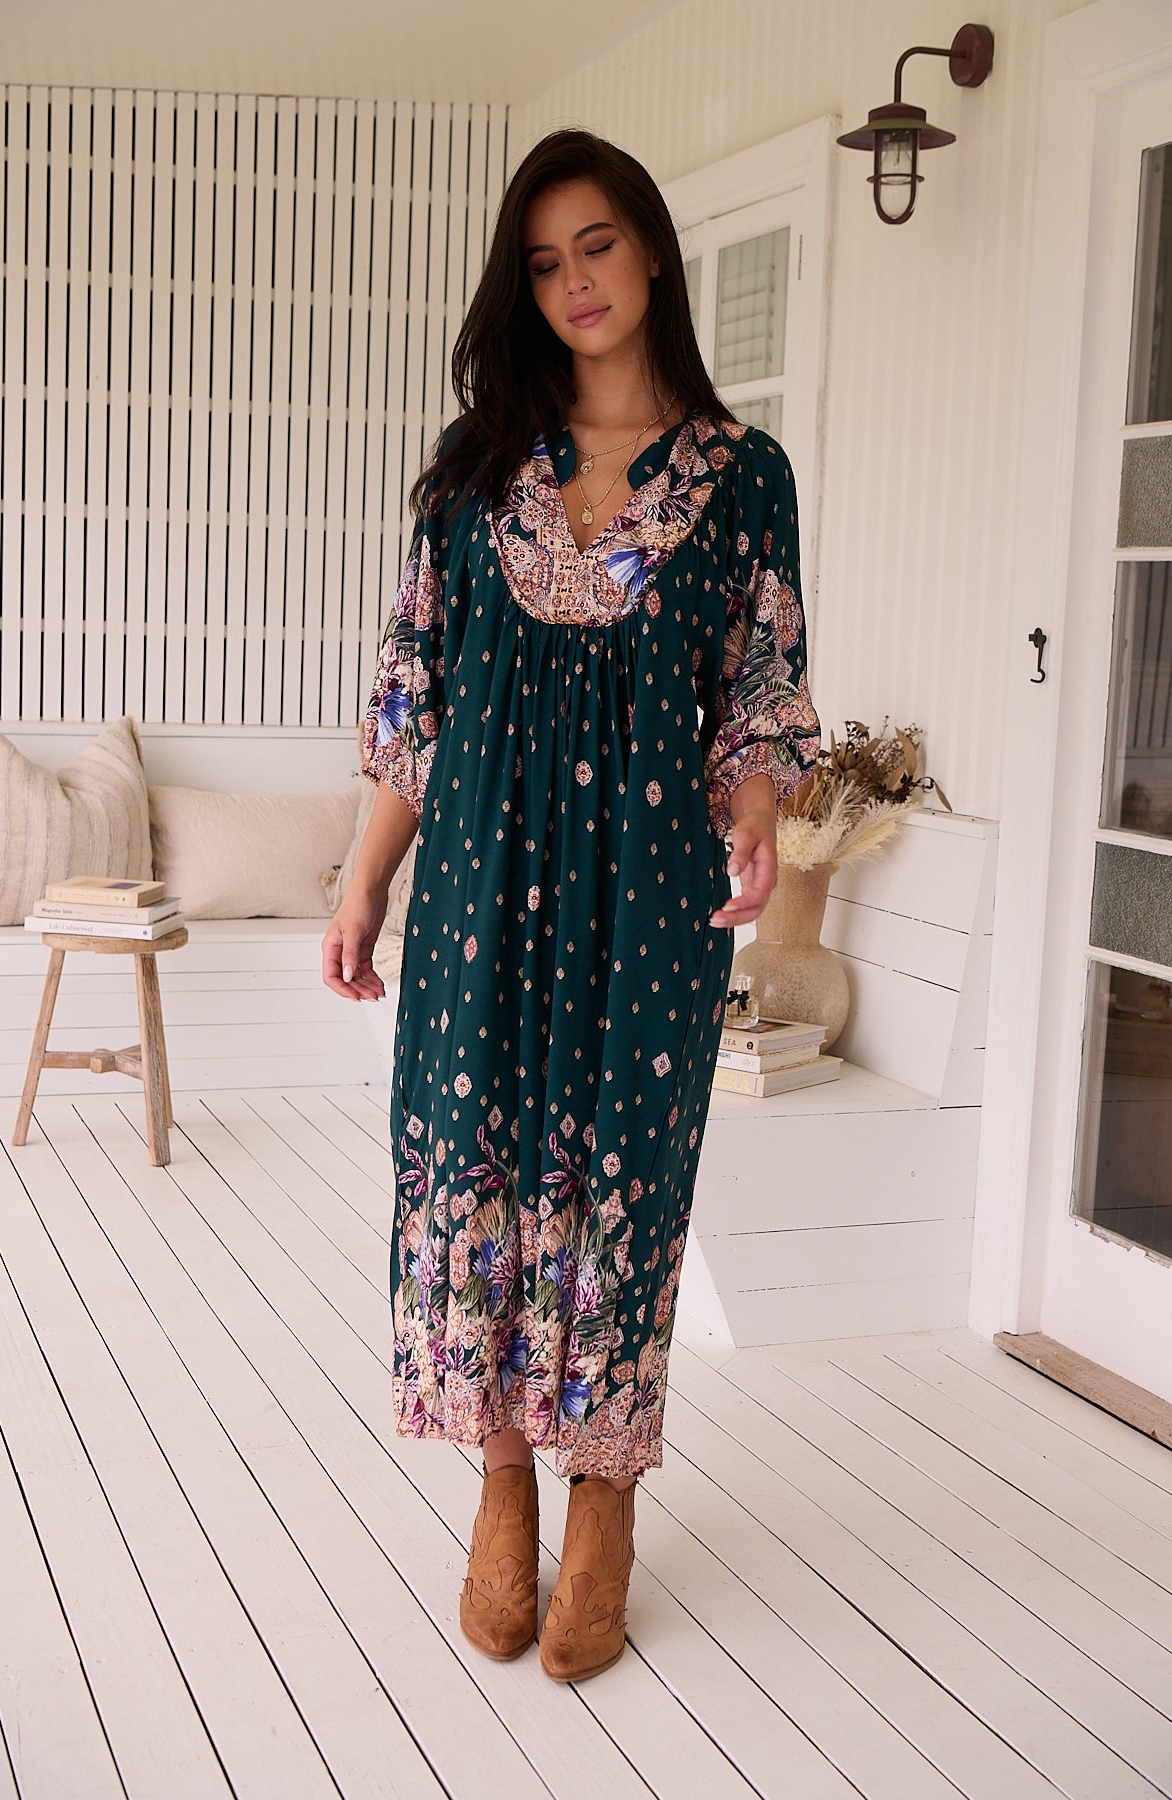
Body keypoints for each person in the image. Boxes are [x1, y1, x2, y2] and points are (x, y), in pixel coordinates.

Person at [322, 127, 821, 1682]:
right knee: (477, 1169)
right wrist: (359, 889)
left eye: (596, 246)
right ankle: (502, 1476)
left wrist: (755, 817)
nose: (574, 283)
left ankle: (602, 1497)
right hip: (473, 886)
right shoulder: (477, 479)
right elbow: (415, 705)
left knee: (622, 1176)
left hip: (650, 902)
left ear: (653, 251)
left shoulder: (745, 479)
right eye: (542, 262)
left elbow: (758, 695)